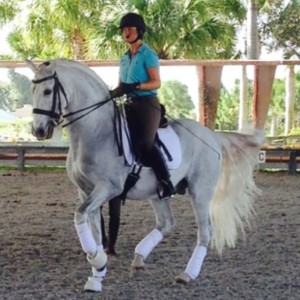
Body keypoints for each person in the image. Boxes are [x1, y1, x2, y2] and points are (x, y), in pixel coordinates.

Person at [110, 12, 175, 200]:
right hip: (128, 104)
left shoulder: (148, 54)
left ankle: (166, 182)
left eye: (129, 28)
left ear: (139, 31)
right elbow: (121, 84)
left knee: (145, 145)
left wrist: (136, 86)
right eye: (123, 29)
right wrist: (115, 93)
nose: (126, 32)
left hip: (147, 104)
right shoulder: (124, 58)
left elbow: (156, 82)